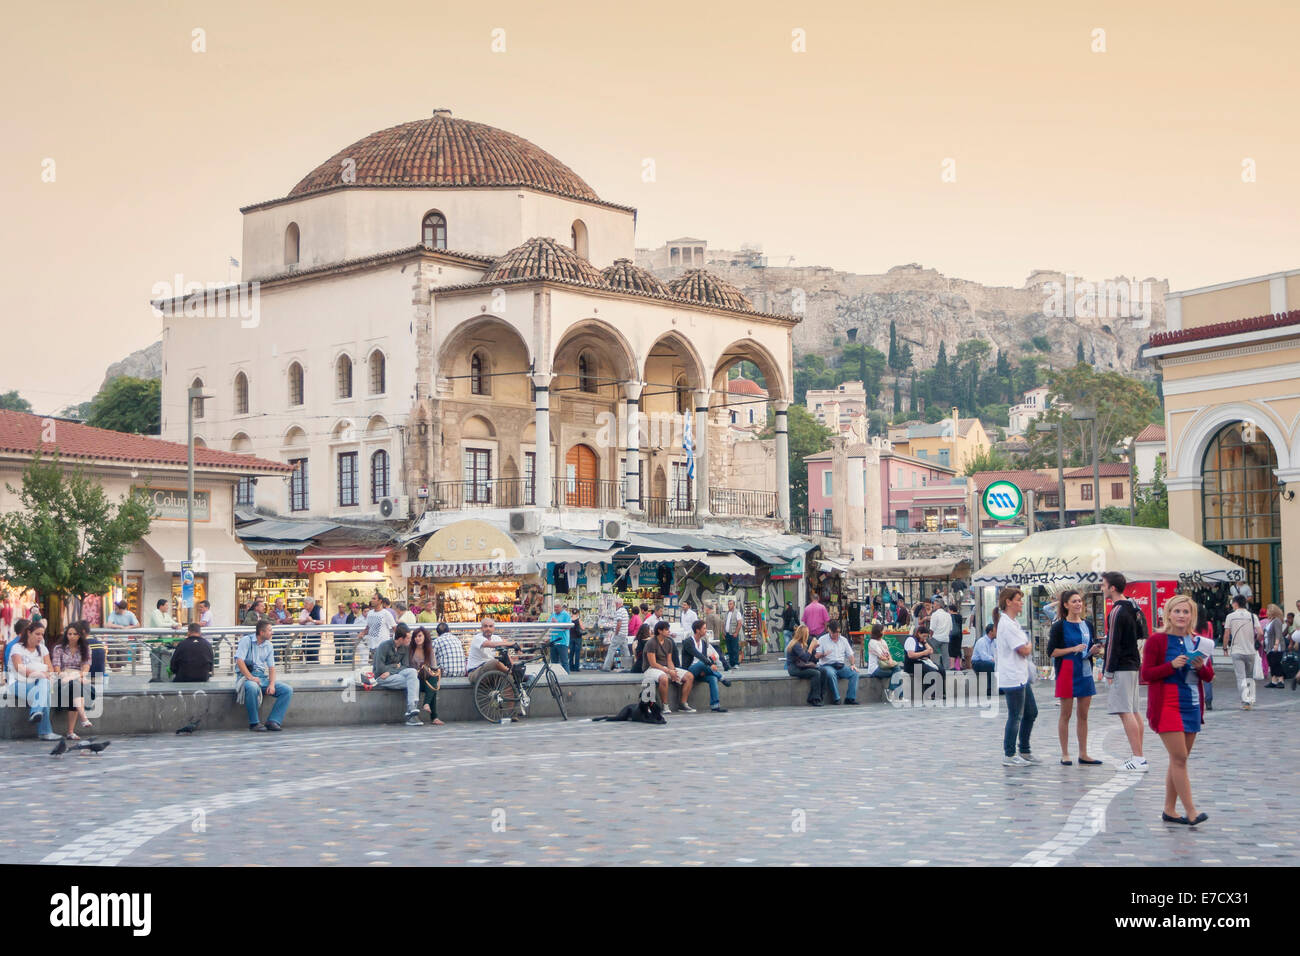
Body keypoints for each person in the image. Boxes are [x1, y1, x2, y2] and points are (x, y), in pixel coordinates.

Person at [1142, 594, 1212, 826]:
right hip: (1167, 703)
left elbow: (1209, 676)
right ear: (1168, 613)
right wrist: (1170, 665)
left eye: (1186, 612)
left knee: (1178, 759)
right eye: (1177, 611)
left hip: (1191, 704)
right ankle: (1191, 811)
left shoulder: (1198, 642)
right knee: (1180, 757)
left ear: (1192, 615)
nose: (1182, 616)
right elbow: (1147, 675)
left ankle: (1169, 809)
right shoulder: (1157, 641)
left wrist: (1201, 667)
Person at [1047, 590, 1102, 766]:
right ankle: (1065, 753)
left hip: (1085, 669)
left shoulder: (1088, 624)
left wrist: (1094, 650)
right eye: (1074, 601)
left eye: (1079, 601)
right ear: (1066, 605)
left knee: (1083, 715)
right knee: (1066, 714)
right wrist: (1073, 649)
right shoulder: (1059, 626)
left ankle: (1083, 753)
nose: (1078, 604)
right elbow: (1052, 652)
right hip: (1067, 670)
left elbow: (1089, 646)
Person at [1101, 571, 1148, 771]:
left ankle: (1138, 758)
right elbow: (1143, 633)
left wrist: (1108, 670)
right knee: (1134, 711)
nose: (1102, 588)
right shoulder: (1134, 606)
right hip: (1133, 663)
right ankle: (1138, 755)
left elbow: (1112, 643)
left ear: (1112, 587)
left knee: (1125, 711)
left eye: (1103, 585)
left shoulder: (1116, 611)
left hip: (1121, 665)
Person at [995, 587, 1037, 767]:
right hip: (1012, 676)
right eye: (1018, 599)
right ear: (1008, 602)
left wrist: (1027, 646)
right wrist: (1029, 645)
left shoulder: (1013, 623)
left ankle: (1025, 750)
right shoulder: (1007, 624)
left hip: (1020, 675)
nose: (1021, 603)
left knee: (1031, 712)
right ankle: (1009, 753)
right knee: (1015, 715)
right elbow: (1023, 649)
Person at [235, 620, 293, 731]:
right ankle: (254, 723)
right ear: (261, 632)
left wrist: (271, 684)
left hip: (261, 677)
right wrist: (250, 678)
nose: (272, 633)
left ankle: (273, 721)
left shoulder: (269, 645)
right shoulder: (246, 641)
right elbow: (239, 661)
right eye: (270, 630)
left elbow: (271, 667)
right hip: (246, 677)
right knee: (252, 687)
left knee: (287, 690)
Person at [361, 623, 422, 727]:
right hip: (381, 677)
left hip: (393, 674)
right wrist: (396, 666)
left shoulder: (405, 648)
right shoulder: (384, 646)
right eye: (408, 638)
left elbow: (405, 666)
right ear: (401, 638)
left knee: (412, 672)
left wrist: (391, 670)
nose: (410, 640)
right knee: (414, 682)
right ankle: (411, 714)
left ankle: (411, 709)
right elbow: (380, 668)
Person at [8, 620, 60, 741]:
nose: (40, 637)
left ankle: (36, 713)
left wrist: (45, 676)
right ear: (29, 633)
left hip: (38, 683)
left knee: (44, 684)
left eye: (42, 634)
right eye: (37, 634)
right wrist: (38, 673)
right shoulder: (17, 648)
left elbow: (50, 669)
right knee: (43, 690)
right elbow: (19, 668)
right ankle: (45, 732)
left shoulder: (43, 649)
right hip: (17, 683)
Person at [51, 624, 93, 739]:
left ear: (80, 635)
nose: (72, 636)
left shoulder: (86, 648)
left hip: (77, 678)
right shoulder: (58, 648)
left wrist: (74, 676)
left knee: (75, 688)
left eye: (75, 634)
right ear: (66, 634)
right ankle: (82, 718)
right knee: (75, 687)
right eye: (69, 634)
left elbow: (85, 668)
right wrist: (68, 676)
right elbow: (57, 669)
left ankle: (71, 731)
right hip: (62, 678)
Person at [643, 620, 694, 713]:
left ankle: (683, 704)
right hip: (651, 669)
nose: (669, 631)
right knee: (664, 678)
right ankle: (665, 705)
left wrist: (673, 671)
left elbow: (669, 660)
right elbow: (653, 663)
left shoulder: (669, 642)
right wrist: (669, 672)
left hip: (665, 667)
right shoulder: (651, 643)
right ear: (660, 631)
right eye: (666, 630)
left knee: (689, 676)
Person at [680, 618, 730, 713]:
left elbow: (703, 657)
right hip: (689, 671)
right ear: (697, 630)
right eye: (704, 628)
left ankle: (715, 705)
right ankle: (721, 677)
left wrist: (706, 669)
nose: (706, 630)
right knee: (701, 664)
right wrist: (710, 665)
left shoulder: (703, 643)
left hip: (701, 670)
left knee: (712, 678)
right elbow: (698, 655)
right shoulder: (688, 642)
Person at [1224, 594, 1258, 710]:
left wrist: (1225, 647)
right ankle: (1250, 699)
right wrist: (1255, 641)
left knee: (1240, 677)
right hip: (1250, 650)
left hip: (1237, 650)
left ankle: (1245, 701)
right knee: (1250, 677)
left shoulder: (1230, 616)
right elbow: (1261, 633)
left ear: (1235, 603)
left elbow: (1227, 633)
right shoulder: (1253, 616)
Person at [815, 620, 860, 704]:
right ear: (829, 630)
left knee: (855, 673)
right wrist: (824, 654)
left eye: (838, 632)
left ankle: (850, 698)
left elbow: (850, 654)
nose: (837, 634)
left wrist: (853, 664)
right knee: (831, 674)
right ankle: (836, 698)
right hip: (827, 665)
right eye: (834, 632)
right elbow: (816, 655)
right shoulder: (822, 639)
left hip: (840, 666)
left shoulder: (843, 640)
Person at [409, 627, 443, 726]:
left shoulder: (429, 650)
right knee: (433, 688)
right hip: (415, 679)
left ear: (425, 637)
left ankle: (427, 704)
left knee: (433, 679)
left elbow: (434, 667)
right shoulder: (410, 650)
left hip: (426, 678)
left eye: (420, 636)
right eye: (415, 636)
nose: (417, 638)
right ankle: (433, 716)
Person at [785, 624, 826, 706]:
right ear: (804, 635)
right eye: (807, 633)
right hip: (795, 668)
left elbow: (811, 658)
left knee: (823, 671)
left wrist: (814, 649)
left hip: (801, 666)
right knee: (816, 673)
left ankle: (819, 695)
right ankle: (814, 699)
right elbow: (805, 658)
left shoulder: (802, 644)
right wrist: (811, 646)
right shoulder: (795, 644)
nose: (808, 635)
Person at [904, 624, 944, 700]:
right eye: (924, 636)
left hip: (923, 662)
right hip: (912, 664)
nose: (925, 638)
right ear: (919, 633)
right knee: (931, 671)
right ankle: (929, 693)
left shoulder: (922, 641)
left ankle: (940, 692)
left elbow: (931, 650)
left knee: (941, 670)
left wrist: (925, 642)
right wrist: (924, 653)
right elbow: (911, 655)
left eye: (926, 636)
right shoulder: (911, 640)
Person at [865, 624, 904, 702]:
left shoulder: (883, 641)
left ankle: (893, 692)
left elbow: (888, 654)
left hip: (885, 665)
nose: (884, 632)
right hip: (875, 668)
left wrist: (890, 661)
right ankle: (897, 694)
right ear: (879, 632)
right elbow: (881, 656)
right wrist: (889, 661)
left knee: (897, 670)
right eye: (883, 630)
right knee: (897, 671)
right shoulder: (872, 642)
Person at [1263, 604, 1287, 689]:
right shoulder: (1271, 621)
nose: (1267, 612)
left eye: (1268, 610)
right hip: (1269, 646)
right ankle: (1274, 680)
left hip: (1275, 646)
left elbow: (1278, 634)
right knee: (1271, 663)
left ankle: (1281, 680)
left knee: (1276, 663)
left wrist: (1276, 644)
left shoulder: (1277, 621)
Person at [971, 623, 996, 698]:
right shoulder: (981, 641)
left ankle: (999, 687)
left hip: (988, 661)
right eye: (995, 631)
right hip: (977, 663)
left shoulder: (994, 642)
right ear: (990, 632)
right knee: (991, 665)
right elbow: (983, 656)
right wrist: (994, 660)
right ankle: (989, 688)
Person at [929, 601, 953, 671]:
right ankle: (947, 671)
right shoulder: (948, 615)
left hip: (936, 638)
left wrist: (930, 637)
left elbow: (932, 628)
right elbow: (951, 629)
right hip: (945, 638)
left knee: (931, 653)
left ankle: (934, 669)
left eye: (934, 604)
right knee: (946, 656)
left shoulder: (934, 614)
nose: (933, 606)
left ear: (939, 606)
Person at [548, 600, 572, 670]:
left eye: (557, 607)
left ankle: (566, 679)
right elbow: (548, 624)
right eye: (554, 607)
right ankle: (556, 677)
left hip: (562, 641)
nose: (555, 609)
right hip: (553, 641)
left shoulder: (566, 615)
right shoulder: (553, 614)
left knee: (564, 662)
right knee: (554, 663)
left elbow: (568, 627)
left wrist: (557, 623)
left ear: (561, 607)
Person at [723, 599, 744, 669]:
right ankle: (731, 664)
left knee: (735, 649)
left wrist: (736, 632)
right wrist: (723, 633)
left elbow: (740, 623)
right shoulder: (726, 613)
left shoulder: (737, 612)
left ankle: (736, 663)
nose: (729, 605)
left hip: (734, 634)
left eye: (731, 604)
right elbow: (724, 624)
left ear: (734, 605)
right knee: (729, 649)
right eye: (728, 604)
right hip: (727, 634)